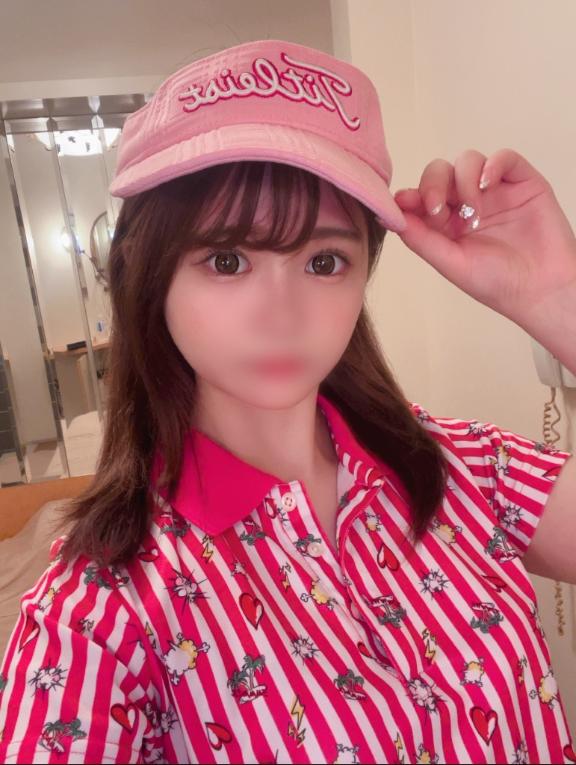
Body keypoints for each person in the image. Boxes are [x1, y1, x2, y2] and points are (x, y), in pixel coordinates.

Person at [1, 38, 575, 764]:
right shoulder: (98, 612)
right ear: (150, 277)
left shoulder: (462, 466)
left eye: (324, 261)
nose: (283, 314)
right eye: (228, 260)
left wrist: (558, 300)